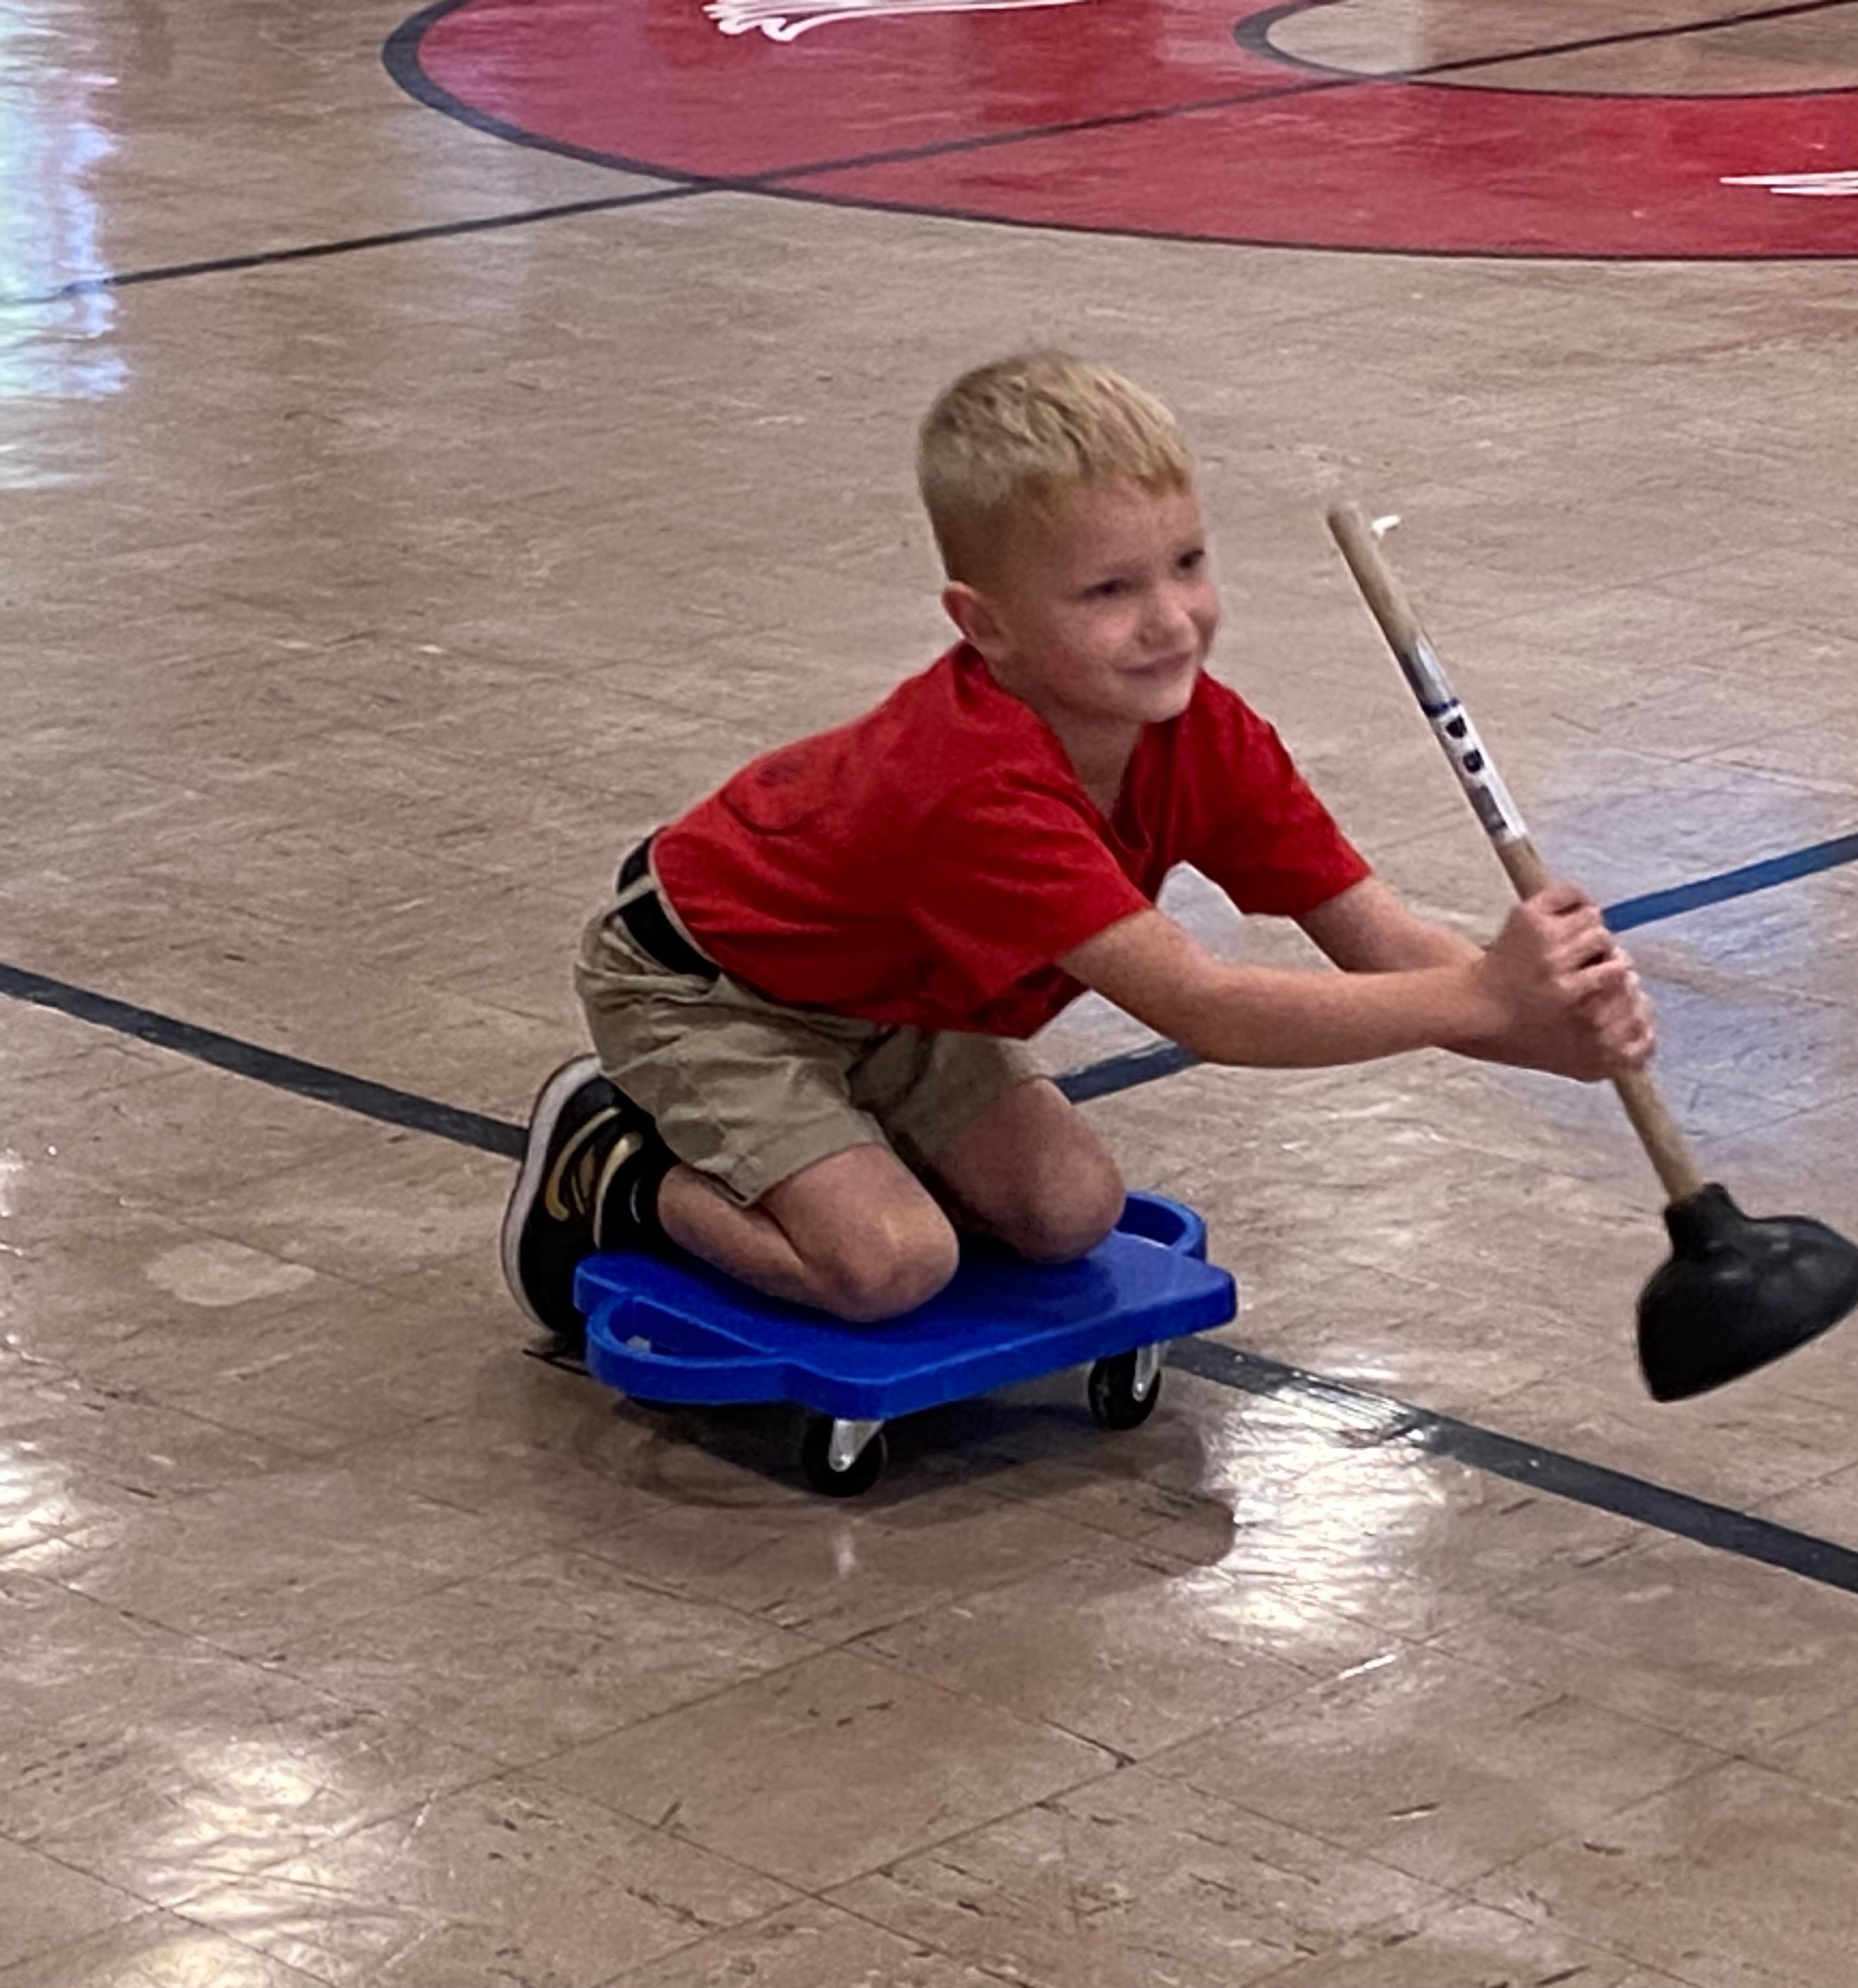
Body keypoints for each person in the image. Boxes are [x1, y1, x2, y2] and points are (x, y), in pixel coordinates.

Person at [501, 351, 1655, 1344]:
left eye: (1187, 564)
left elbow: (1382, 943)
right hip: (713, 989)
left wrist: (1545, 1031)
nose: (1169, 619)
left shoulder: (1203, 731)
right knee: (890, 1267)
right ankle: (614, 1161)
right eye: (1109, 590)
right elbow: (1209, 1011)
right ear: (984, 624)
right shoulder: (976, 790)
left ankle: (823, 1139)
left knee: (1068, 1214)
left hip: (896, 996)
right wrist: (1488, 1001)